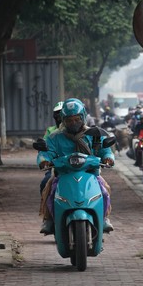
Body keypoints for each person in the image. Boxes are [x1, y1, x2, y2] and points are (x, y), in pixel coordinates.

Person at [37, 98, 115, 235]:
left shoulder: (94, 134)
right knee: (50, 192)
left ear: (83, 117)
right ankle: (48, 220)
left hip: (91, 174)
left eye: (77, 119)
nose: (73, 123)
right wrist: (44, 160)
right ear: (63, 120)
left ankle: (103, 218)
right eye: (69, 120)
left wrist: (108, 158)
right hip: (62, 174)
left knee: (104, 191)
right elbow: (46, 152)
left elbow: (105, 150)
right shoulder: (55, 137)